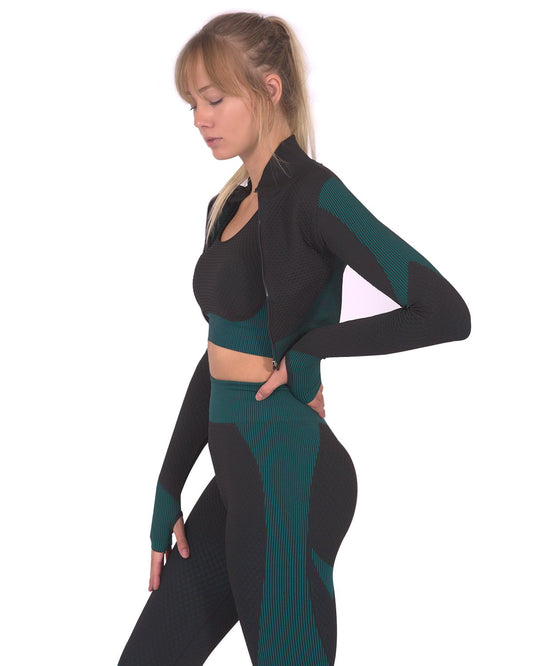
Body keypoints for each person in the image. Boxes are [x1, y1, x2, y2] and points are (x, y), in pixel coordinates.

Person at [117, 11, 471, 666]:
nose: (199, 119)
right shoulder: (226, 205)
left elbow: (445, 312)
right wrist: (169, 482)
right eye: (192, 103)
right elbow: (219, 354)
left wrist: (313, 348)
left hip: (289, 473)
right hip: (236, 472)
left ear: (269, 88)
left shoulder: (315, 196)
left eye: (213, 99)